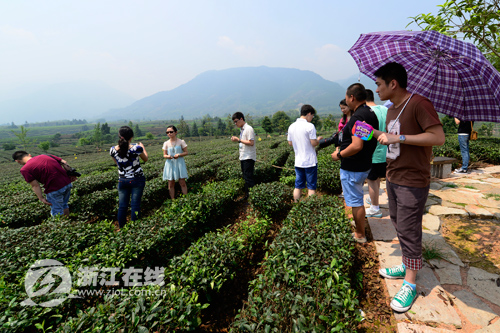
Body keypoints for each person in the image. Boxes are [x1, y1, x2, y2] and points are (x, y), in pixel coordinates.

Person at [373, 62, 445, 313]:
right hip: (393, 175)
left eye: (379, 84)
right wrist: (378, 134)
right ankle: (407, 263)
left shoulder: (419, 104)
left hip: (413, 180)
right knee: (398, 224)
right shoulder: (392, 108)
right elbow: (394, 138)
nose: (377, 89)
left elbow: (438, 137)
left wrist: (399, 137)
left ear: (393, 83)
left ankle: (410, 284)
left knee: (409, 229)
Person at [332, 83, 379, 244]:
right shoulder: (369, 113)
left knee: (355, 202)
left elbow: (357, 145)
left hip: (353, 166)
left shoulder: (359, 116)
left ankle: (360, 234)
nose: (346, 101)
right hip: (364, 163)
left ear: (352, 97)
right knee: (356, 199)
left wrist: (339, 154)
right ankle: (359, 226)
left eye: (346, 98)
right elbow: (366, 140)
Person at [110, 126, 148, 229]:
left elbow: (118, 164)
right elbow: (145, 159)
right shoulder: (136, 148)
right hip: (137, 179)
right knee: (135, 205)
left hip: (122, 180)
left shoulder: (112, 150)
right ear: (131, 136)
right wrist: (143, 147)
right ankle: (135, 228)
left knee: (122, 206)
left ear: (120, 136)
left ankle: (122, 227)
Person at [13, 151, 73, 216]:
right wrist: (72, 174)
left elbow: (35, 185)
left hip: (54, 189)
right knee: (64, 204)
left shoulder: (25, 169)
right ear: (29, 155)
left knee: (57, 211)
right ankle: (67, 221)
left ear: (17, 161)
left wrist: (40, 198)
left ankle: (61, 225)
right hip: (67, 184)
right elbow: (64, 162)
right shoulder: (45, 155)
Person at [287, 104, 322, 202]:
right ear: (309, 114)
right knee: (311, 187)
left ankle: (296, 204)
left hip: (298, 161)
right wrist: (318, 139)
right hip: (309, 161)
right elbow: (314, 143)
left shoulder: (291, 126)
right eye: (312, 116)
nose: (312, 118)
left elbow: (290, 143)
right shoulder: (309, 126)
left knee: (298, 186)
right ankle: (311, 207)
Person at [365, 89, 388, 218]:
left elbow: (366, 135)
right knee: (381, 178)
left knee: (372, 180)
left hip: (374, 153)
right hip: (387, 151)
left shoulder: (367, 113)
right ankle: (374, 201)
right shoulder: (385, 109)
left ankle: (375, 208)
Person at [231, 112, 256, 197]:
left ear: (241, 119)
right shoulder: (242, 129)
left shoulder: (248, 129)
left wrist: (239, 140)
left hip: (248, 157)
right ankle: (247, 196)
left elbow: (251, 142)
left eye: (236, 121)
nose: (235, 123)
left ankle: (251, 197)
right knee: (246, 178)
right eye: (234, 122)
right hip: (243, 157)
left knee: (248, 178)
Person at [162, 125, 189, 198]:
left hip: (179, 163)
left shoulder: (181, 141)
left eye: (171, 132)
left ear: (176, 132)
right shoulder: (166, 143)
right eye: (167, 132)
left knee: (182, 182)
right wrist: (168, 156)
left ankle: (186, 199)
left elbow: (186, 152)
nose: (169, 133)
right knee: (171, 183)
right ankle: (173, 200)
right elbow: (164, 155)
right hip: (170, 163)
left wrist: (179, 154)